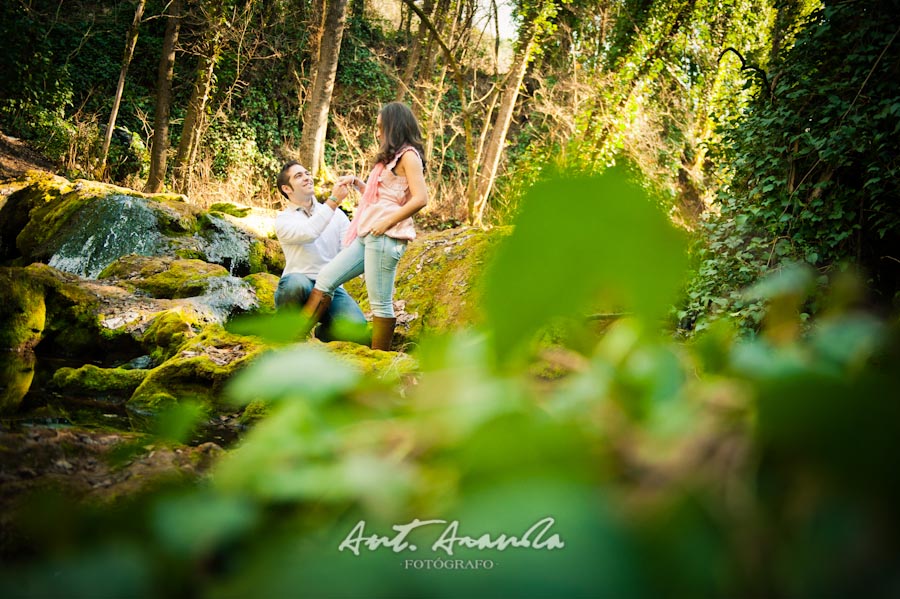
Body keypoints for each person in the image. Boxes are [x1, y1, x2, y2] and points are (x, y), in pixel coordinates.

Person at [301, 102, 429, 351]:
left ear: (394, 126)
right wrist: (360, 184)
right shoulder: (391, 158)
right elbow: (385, 197)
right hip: (369, 233)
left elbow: (420, 199)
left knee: (380, 303)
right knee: (326, 278)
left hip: (385, 236)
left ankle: (379, 363)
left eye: (381, 127)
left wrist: (386, 223)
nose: (378, 132)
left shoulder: (409, 156)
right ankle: (293, 340)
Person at [273, 160, 368, 342]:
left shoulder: (337, 215)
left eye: (307, 173)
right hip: (300, 282)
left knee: (358, 329)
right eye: (299, 176)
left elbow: (349, 249)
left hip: (332, 288)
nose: (307, 177)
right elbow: (309, 232)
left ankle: (322, 335)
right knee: (295, 284)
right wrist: (333, 201)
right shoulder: (284, 220)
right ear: (287, 188)